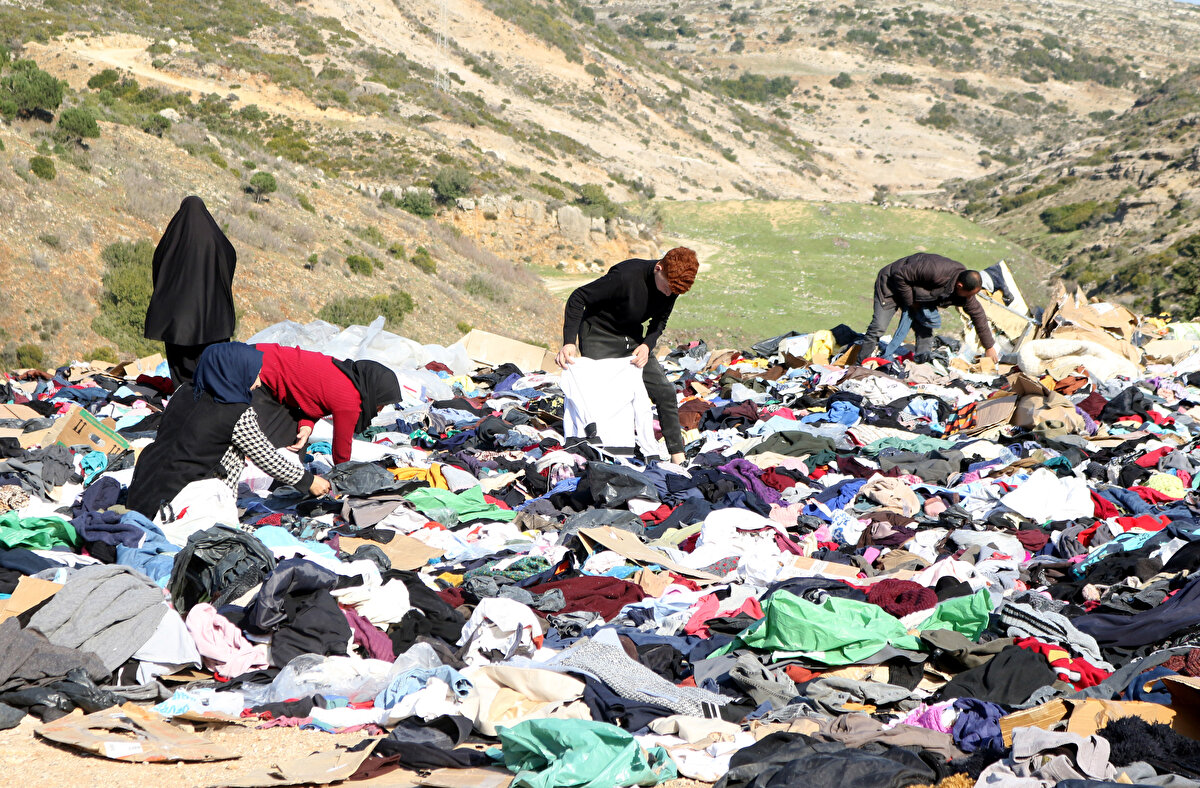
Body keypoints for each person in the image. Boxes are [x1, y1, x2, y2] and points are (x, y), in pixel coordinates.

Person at [126, 343, 330, 518]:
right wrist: (309, 481)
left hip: (143, 494)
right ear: (235, 372)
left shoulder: (184, 392)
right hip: (181, 507)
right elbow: (268, 459)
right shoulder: (235, 412)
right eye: (254, 374)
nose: (258, 382)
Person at [555, 247, 699, 464]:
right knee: (604, 397)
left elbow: (659, 321)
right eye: (667, 288)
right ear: (658, 268)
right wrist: (569, 342)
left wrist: (647, 345)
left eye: (674, 292)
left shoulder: (673, 285)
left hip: (633, 341)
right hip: (599, 335)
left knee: (665, 392)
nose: (669, 294)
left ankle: (678, 457)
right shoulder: (625, 276)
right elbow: (578, 298)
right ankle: (598, 450)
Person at [255, 343, 403, 466]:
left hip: (267, 372)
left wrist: (306, 426)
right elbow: (341, 451)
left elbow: (311, 395)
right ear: (373, 393)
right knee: (257, 442)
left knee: (292, 450)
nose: (380, 409)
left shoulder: (346, 376)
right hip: (258, 371)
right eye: (381, 403)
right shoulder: (350, 400)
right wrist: (344, 479)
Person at [144, 196, 238, 386]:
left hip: (178, 319)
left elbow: (158, 263)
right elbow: (230, 256)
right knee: (213, 367)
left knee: (181, 367)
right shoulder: (215, 239)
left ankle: (183, 398)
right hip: (213, 317)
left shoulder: (172, 239)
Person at [858, 252, 1000, 363]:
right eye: (969, 294)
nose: (969, 298)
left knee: (925, 330)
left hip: (918, 297)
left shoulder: (964, 292)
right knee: (878, 327)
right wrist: (910, 302)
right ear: (960, 285)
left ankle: (921, 362)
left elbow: (978, 315)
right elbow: (899, 275)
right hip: (891, 285)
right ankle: (860, 363)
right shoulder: (936, 269)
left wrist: (989, 347)